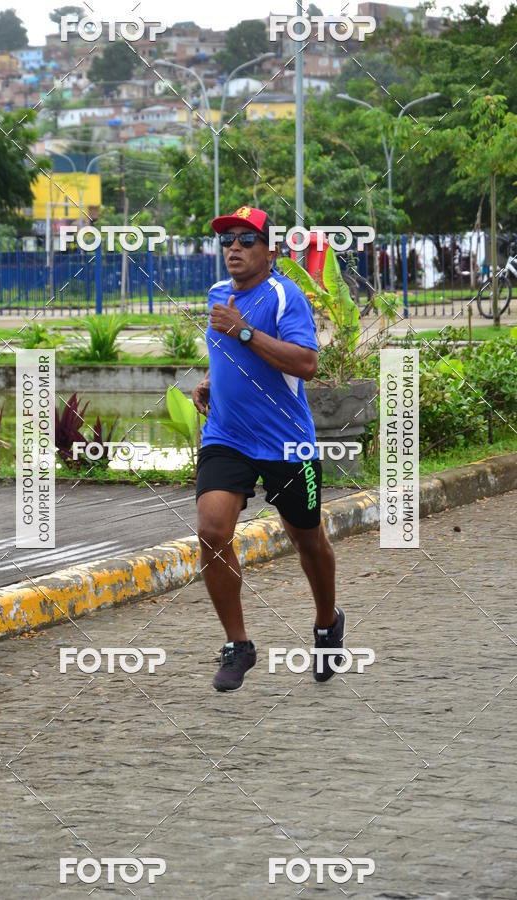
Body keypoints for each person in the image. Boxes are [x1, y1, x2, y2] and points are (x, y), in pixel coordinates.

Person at [191, 205, 344, 692]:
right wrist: (212, 383)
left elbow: (306, 363)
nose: (233, 247)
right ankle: (239, 644)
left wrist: (243, 330)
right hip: (227, 436)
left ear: (270, 250)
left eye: (246, 239)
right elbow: (233, 356)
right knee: (212, 532)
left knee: (308, 542)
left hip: (286, 443)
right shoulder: (218, 294)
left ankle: (326, 622)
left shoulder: (285, 295)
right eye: (227, 239)